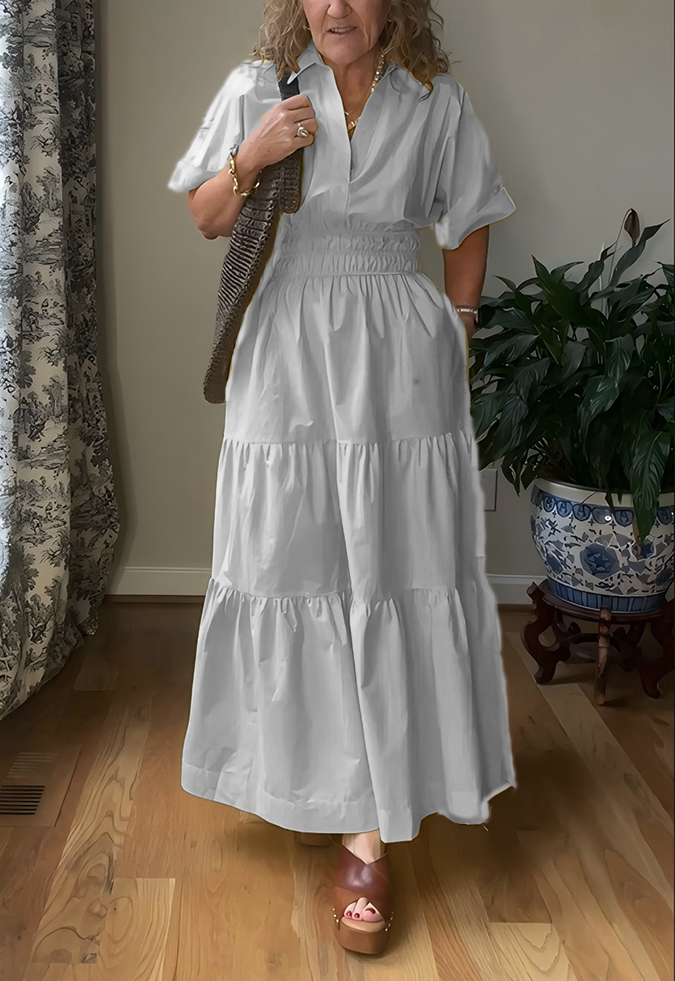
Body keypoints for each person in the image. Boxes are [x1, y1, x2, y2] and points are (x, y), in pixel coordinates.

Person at [168, 0, 518, 956]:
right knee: (291, 565)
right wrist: (253, 153)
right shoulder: (258, 87)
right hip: (284, 344)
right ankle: (309, 775)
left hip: (398, 351)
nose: (335, 7)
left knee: (388, 569)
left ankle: (365, 829)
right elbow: (205, 215)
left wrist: (457, 329)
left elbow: (467, 220)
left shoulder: (435, 101)